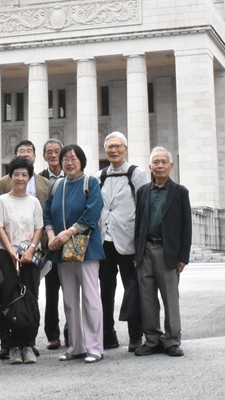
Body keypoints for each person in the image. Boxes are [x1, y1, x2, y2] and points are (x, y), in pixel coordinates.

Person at [44, 143, 105, 364]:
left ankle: (95, 347)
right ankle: (76, 346)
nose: (69, 163)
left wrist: (67, 233)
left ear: (81, 161)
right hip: (61, 250)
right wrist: (52, 236)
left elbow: (92, 213)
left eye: (73, 158)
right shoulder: (57, 185)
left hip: (86, 248)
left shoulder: (90, 182)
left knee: (90, 298)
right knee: (69, 299)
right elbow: (47, 214)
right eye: (65, 159)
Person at [0, 139, 51, 359]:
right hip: (6, 254)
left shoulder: (33, 202)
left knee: (30, 297)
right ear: (10, 177)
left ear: (29, 177)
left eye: (24, 175)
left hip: (30, 255)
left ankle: (28, 344)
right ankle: (12, 345)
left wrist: (30, 250)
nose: (20, 178)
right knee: (9, 297)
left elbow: (39, 228)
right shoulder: (2, 200)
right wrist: (10, 251)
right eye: (16, 174)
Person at [133, 147, 192, 358]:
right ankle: (152, 339)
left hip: (168, 251)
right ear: (150, 166)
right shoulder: (143, 192)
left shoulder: (180, 192)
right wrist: (137, 253)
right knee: (147, 298)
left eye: (163, 162)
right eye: (156, 162)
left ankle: (172, 340)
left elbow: (186, 226)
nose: (160, 166)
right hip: (145, 250)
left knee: (170, 298)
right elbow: (139, 224)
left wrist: (183, 257)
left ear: (171, 166)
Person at [97, 131, 148, 351]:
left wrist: (140, 245)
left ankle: (136, 336)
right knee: (105, 291)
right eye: (110, 147)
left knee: (132, 288)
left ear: (125, 149)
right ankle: (107, 335)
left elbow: (144, 209)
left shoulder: (136, 174)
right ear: (105, 150)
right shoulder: (99, 176)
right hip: (105, 241)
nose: (114, 150)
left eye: (118, 146)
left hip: (128, 241)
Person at [38, 139, 65, 350]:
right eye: (49, 152)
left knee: (72, 289)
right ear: (44, 156)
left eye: (57, 151)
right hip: (49, 242)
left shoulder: (74, 174)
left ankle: (72, 332)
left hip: (70, 240)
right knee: (51, 290)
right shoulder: (39, 179)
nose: (53, 155)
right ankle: (53, 335)